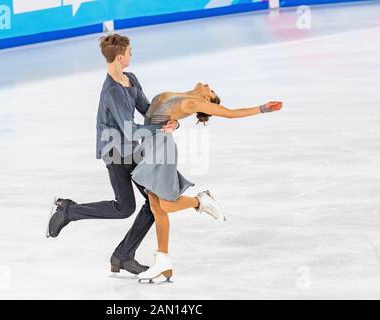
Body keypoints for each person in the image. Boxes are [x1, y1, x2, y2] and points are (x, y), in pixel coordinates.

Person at [46, 33, 180, 275]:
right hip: (115, 151)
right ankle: (69, 212)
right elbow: (129, 130)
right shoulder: (112, 92)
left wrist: (169, 121)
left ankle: (122, 256)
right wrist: (159, 128)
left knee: (154, 203)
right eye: (129, 52)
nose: (132, 55)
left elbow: (147, 111)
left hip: (131, 150)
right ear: (120, 57)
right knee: (125, 208)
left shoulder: (130, 79)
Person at [132, 84, 283, 282]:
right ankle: (164, 262)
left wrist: (262, 108)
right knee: (156, 208)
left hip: (162, 150)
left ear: (208, 101)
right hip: (150, 147)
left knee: (166, 205)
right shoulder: (184, 95)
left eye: (212, 92)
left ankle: (200, 201)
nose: (209, 87)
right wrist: (176, 123)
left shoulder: (194, 102)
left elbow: (230, 113)